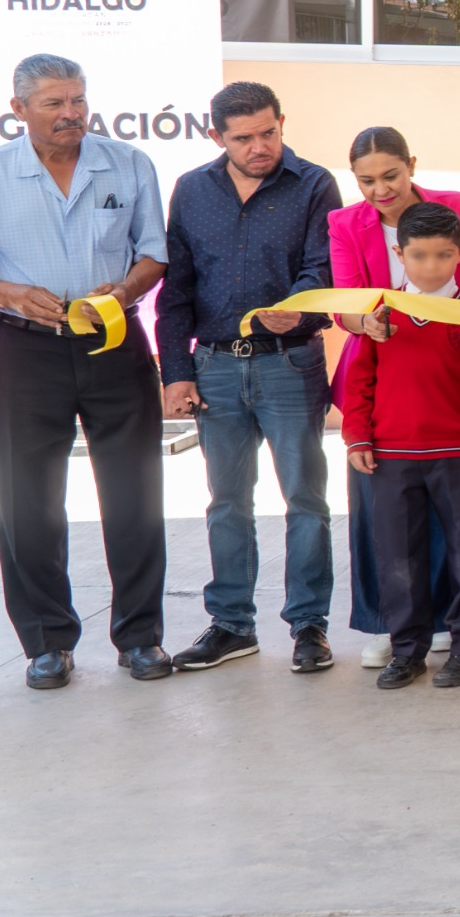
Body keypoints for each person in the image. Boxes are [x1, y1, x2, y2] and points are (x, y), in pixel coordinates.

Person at [0, 54, 171, 690]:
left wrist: (123, 293)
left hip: (113, 343)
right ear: (18, 111)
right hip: (23, 349)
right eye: (54, 104)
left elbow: (153, 252)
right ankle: (46, 641)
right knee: (26, 501)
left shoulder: (128, 164)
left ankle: (141, 637)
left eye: (78, 101)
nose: (71, 114)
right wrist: (9, 293)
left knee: (135, 494)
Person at [158, 81, 344, 675]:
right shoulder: (192, 190)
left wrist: (302, 306)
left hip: (289, 361)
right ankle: (232, 625)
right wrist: (176, 372)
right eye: (244, 138)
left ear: (281, 121)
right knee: (227, 503)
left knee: (306, 499)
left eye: (269, 131)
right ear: (217, 137)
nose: (260, 146)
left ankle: (309, 625)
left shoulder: (314, 184)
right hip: (214, 365)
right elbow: (177, 290)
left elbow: (324, 266)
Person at [327, 127, 460, 669]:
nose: (380, 188)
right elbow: (349, 328)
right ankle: (400, 640)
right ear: (401, 254)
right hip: (390, 435)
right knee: (392, 547)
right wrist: (370, 325)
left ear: (412, 166)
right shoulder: (347, 232)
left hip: (453, 441)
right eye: (366, 180)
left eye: (391, 175)